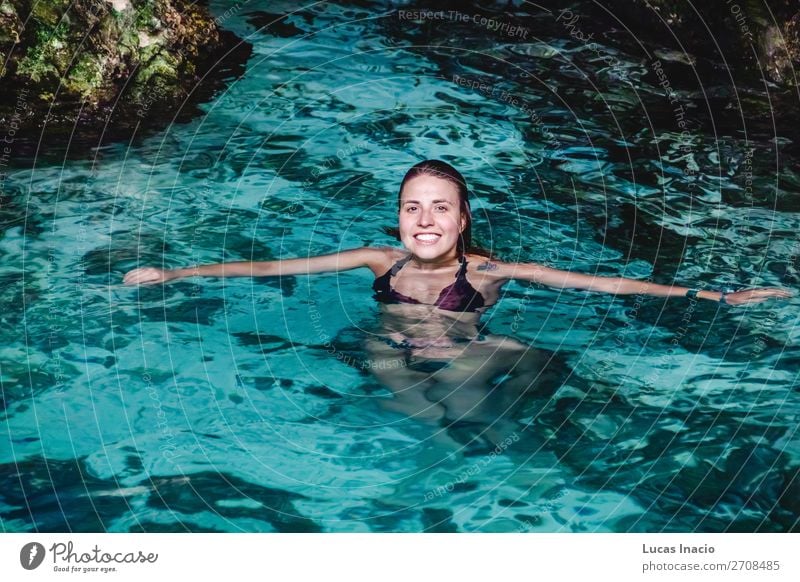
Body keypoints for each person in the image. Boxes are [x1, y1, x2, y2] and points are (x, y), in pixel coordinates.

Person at [122, 160, 793, 435]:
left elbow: (602, 283)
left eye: (439, 208)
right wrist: (175, 276)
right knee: (415, 390)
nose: (424, 220)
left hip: (474, 350)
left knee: (513, 370)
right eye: (412, 207)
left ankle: (502, 431)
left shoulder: (491, 272)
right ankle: (464, 445)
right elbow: (268, 266)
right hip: (393, 350)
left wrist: (712, 294)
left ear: (463, 218)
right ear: (398, 217)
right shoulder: (375, 258)